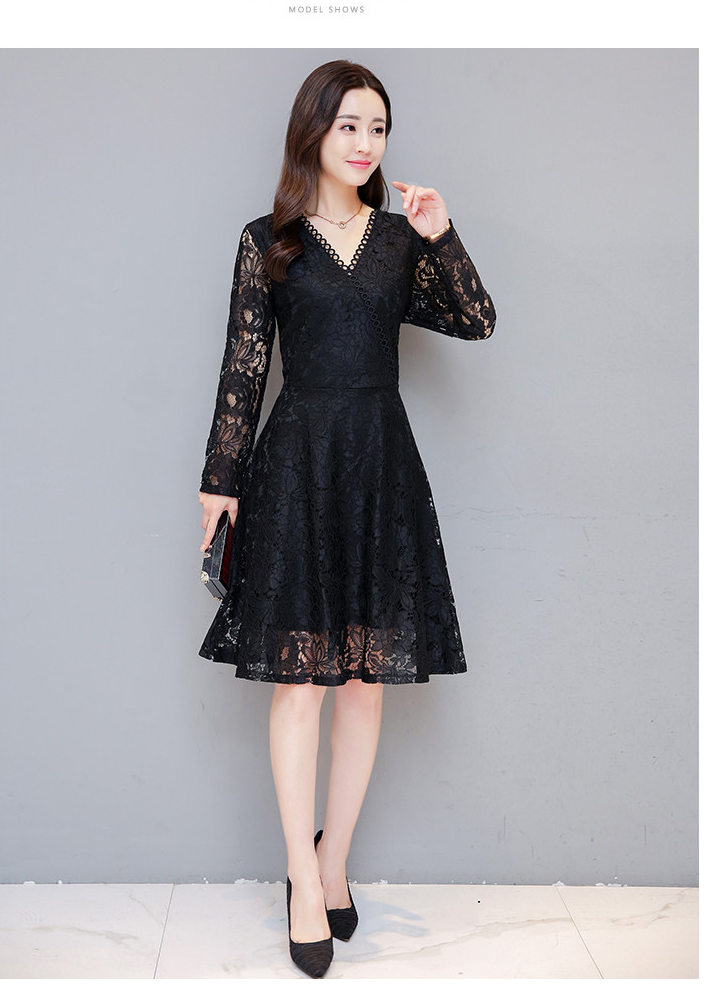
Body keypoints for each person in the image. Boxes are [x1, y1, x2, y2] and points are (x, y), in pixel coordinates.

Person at [197, 59, 496, 978]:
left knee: (364, 680)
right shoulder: (268, 240)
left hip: (379, 464)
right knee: (301, 683)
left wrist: (443, 235)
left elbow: (478, 320)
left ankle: (334, 863)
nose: (367, 144)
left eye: (379, 128)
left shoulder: (402, 239)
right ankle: (300, 874)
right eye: (350, 126)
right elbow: (244, 366)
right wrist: (220, 479)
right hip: (297, 464)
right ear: (314, 132)